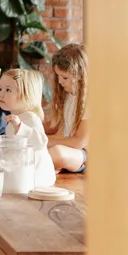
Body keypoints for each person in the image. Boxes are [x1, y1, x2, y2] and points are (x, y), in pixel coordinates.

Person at [45, 43, 89, 173]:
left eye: (65, 77)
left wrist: (46, 141)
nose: (60, 81)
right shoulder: (70, 95)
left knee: (57, 152)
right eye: (58, 76)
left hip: (84, 155)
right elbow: (55, 126)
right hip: (73, 151)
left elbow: (79, 141)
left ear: (80, 75)